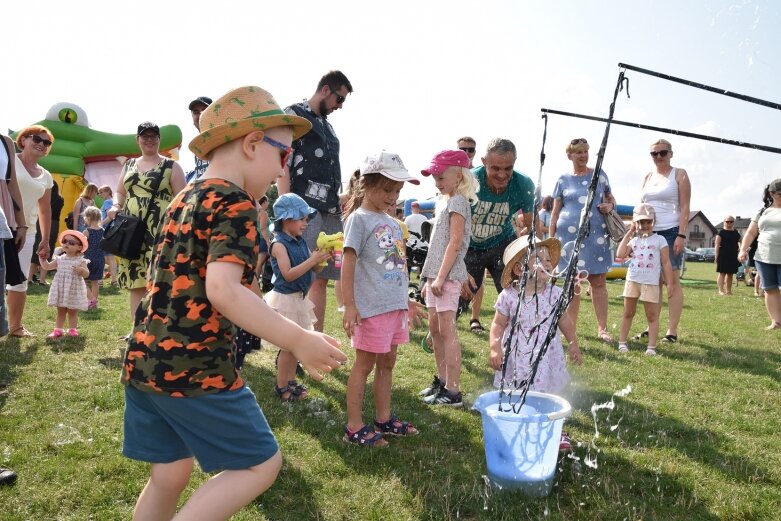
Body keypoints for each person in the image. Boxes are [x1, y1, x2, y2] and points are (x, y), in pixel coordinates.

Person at [122, 85, 347, 520]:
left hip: (144, 359)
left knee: (168, 473)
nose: (287, 169)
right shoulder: (236, 203)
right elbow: (224, 290)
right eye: (285, 157)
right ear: (252, 144)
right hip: (196, 365)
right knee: (260, 464)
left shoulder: (182, 199)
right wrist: (298, 338)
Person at [341, 151, 422, 447]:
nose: (393, 196)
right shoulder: (359, 220)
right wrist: (349, 305)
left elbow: (396, 264)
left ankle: (383, 419)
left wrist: (406, 301)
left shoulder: (390, 221)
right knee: (364, 364)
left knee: (388, 362)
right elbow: (347, 265)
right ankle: (354, 426)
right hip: (371, 308)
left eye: (397, 191)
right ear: (366, 185)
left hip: (393, 306)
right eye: (387, 189)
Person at [488, 236, 581, 451]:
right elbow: (497, 325)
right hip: (517, 357)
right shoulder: (509, 296)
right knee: (516, 394)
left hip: (547, 358)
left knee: (550, 396)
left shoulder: (554, 294)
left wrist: (573, 343)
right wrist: (494, 347)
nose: (548, 263)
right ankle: (518, 427)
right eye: (540, 258)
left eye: (549, 260)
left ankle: (556, 430)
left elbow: (564, 321)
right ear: (520, 270)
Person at [280, 70, 353, 334]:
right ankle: (292, 346)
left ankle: (315, 340)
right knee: (302, 275)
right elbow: (283, 163)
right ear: (325, 90)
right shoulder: (294, 115)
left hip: (330, 212)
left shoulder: (328, 126)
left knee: (321, 278)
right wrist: (286, 209)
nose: (340, 106)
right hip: (304, 210)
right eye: (339, 99)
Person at [107, 122, 186, 321]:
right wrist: (116, 205)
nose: (149, 139)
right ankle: (136, 330)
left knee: (159, 278)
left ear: (160, 140)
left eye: (153, 136)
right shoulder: (129, 165)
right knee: (136, 280)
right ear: (138, 140)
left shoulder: (172, 166)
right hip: (131, 230)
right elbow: (119, 191)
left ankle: (157, 328)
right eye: (145, 136)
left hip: (160, 230)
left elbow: (183, 200)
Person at [417, 150, 477, 407]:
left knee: (447, 330)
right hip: (435, 275)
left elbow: (454, 242)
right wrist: (428, 279)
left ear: (459, 175)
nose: (437, 181)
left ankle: (453, 390)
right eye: (435, 177)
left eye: (441, 176)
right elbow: (436, 245)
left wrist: (440, 278)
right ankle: (442, 381)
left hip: (448, 276)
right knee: (435, 329)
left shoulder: (459, 202)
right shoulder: (446, 200)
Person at [549, 138, 617, 343]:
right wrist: (551, 240)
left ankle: (602, 329)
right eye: (578, 152)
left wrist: (610, 207)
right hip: (567, 237)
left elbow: (611, 198)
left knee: (598, 281)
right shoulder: (562, 179)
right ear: (570, 155)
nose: (583, 155)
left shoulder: (599, 174)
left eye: (586, 151)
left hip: (595, 236)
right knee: (572, 283)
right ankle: (570, 329)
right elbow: (554, 213)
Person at [265, 193, 331, 401]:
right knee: (288, 347)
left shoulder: (300, 241)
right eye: (301, 219)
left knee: (296, 346)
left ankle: (291, 381)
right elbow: (288, 273)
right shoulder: (279, 245)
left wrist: (320, 260)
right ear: (286, 219)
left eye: (306, 219)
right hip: (286, 300)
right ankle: (282, 386)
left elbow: (314, 270)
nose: (305, 223)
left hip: (298, 299)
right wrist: (312, 262)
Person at [465, 138, 535, 334]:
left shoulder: (523, 184)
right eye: (495, 168)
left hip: (502, 244)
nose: (502, 174)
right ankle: (441, 333)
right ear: (483, 161)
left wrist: (532, 257)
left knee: (515, 293)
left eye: (508, 168)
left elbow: (530, 227)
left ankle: (521, 339)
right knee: (459, 297)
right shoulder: (469, 181)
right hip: (469, 245)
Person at [639, 138, 691, 343]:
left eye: (662, 153)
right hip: (649, 232)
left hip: (671, 231)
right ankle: (652, 325)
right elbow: (641, 204)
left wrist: (682, 234)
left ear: (670, 154)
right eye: (654, 154)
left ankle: (672, 330)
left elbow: (686, 206)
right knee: (653, 281)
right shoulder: (648, 176)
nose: (658, 157)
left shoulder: (679, 174)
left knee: (672, 280)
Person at [7, 125, 54, 338]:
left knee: (19, 281)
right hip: (4, 226)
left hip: (28, 232)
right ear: (23, 139)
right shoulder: (8, 160)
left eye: (47, 142)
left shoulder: (46, 176)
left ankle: (15, 327)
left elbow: (45, 209)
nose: (42, 144)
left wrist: (45, 239)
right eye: (37, 139)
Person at [615, 204, 674, 355]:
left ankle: (651, 347)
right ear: (636, 223)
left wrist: (670, 283)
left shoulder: (660, 240)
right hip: (633, 281)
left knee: (652, 315)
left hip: (651, 283)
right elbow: (621, 254)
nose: (645, 225)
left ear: (653, 222)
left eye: (648, 222)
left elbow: (666, 262)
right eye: (641, 222)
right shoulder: (634, 241)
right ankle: (622, 343)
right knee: (628, 312)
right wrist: (629, 233)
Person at [739, 180, 781, 330]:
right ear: (772, 194)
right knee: (770, 289)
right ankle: (776, 321)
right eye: (779, 193)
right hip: (764, 256)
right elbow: (750, 232)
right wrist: (743, 249)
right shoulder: (763, 211)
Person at [37, 229, 90, 339]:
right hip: (61, 288)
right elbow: (47, 267)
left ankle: (72, 330)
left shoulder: (81, 261)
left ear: (79, 247)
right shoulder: (59, 259)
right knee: (60, 310)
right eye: (65, 241)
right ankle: (58, 330)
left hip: (73, 290)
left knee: (72, 311)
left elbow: (86, 274)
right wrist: (42, 258)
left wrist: (82, 270)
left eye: (71, 243)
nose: (67, 244)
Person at [28, 181, 64, 286]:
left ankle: (29, 277)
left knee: (36, 249)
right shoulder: (60, 199)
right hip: (54, 225)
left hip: (41, 222)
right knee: (49, 249)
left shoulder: (42, 198)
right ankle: (42, 280)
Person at [82, 206, 105, 309]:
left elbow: (81, 245)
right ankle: (93, 303)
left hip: (88, 259)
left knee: (81, 280)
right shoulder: (103, 231)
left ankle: (91, 300)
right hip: (100, 259)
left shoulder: (87, 231)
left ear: (88, 218)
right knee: (95, 282)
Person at [185, 96, 212, 183]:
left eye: (204, 110)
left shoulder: (225, 139)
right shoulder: (196, 144)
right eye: (196, 112)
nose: (200, 114)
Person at [715, 215, 741, 295]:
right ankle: (721, 290)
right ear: (724, 222)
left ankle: (729, 291)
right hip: (723, 255)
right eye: (727, 221)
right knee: (722, 273)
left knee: (730, 274)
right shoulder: (721, 232)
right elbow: (717, 244)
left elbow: (741, 241)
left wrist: (741, 249)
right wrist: (716, 256)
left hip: (733, 255)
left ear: (733, 222)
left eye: (731, 221)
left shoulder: (736, 232)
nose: (729, 223)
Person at [98, 185, 118, 285]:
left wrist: (99, 224)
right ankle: (114, 280)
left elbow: (109, 217)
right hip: (112, 231)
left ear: (107, 191)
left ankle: (100, 279)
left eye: (101, 192)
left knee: (101, 255)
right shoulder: (115, 201)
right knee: (111, 256)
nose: (100, 195)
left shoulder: (107, 202)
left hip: (106, 231)